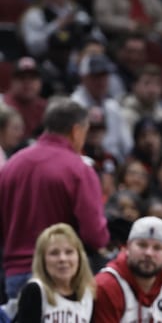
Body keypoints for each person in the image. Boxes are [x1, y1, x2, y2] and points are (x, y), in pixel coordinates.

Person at [0, 98, 109, 300]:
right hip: (62, 277)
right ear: (76, 131)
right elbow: (94, 234)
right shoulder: (79, 170)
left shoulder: (11, 166)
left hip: (14, 275)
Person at [93, 216, 162, 322]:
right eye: (142, 245)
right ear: (127, 247)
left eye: (157, 248)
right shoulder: (106, 286)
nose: (149, 253)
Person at [14, 223, 96, 322]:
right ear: (42, 260)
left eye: (69, 252)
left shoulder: (87, 294)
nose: (62, 259)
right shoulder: (35, 291)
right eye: (54, 253)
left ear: (79, 257)